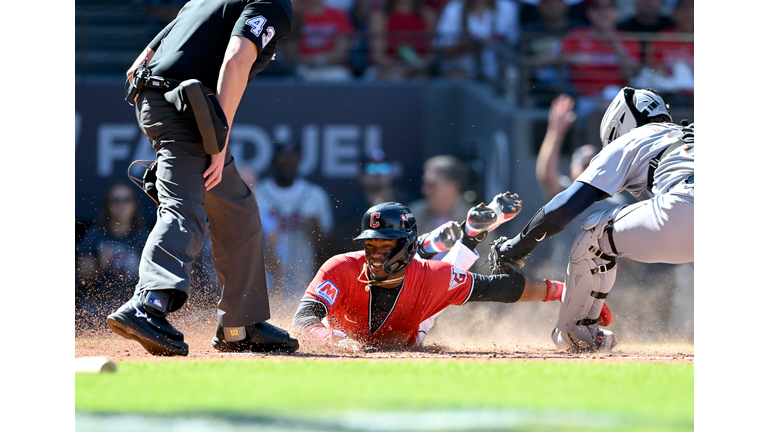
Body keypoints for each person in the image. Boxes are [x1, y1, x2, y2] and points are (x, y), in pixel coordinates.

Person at [107, 0, 299, 357]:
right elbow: (237, 58)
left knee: (236, 211)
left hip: (167, 96)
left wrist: (148, 50)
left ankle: (240, 325)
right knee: (186, 209)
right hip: (183, 106)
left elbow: (179, 26)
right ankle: (148, 305)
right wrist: (218, 139)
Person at [495, 87, 693, 352]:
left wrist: (518, 247)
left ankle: (575, 333)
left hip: (685, 207)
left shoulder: (633, 138)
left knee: (595, 232)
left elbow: (565, 206)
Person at [290, 197, 571, 352]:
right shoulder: (340, 268)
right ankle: (455, 241)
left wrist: (560, 290)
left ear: (405, 246)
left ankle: (463, 240)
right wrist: (333, 340)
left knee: (442, 287)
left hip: (415, 326)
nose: (375, 253)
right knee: (444, 282)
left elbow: (499, 288)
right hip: (356, 329)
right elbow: (303, 318)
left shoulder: (432, 276)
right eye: (371, 244)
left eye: (386, 246)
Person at [255, 140, 335, 311]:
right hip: (265, 283)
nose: (287, 163)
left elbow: (328, 247)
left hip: (304, 280)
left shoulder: (316, 195)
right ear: (273, 161)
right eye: (283, 159)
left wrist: (316, 230)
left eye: (292, 159)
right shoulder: (257, 192)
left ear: (299, 161)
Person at [76, 182, 151, 322]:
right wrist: (98, 264)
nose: (122, 205)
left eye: (127, 200)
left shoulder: (145, 237)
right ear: (107, 205)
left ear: (135, 205)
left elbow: (156, 281)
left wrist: (143, 268)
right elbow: (82, 278)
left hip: (134, 307)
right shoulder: (95, 235)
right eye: (116, 200)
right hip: (99, 307)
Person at [557, 0, 642, 103]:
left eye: (609, 7)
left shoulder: (628, 39)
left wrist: (616, 45)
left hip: (619, 98)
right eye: (597, 7)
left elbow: (631, 74)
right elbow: (547, 59)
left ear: (617, 12)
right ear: (588, 12)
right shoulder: (575, 36)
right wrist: (571, 57)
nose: (603, 12)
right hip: (585, 98)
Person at [432, 0, 521, 84]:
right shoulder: (454, 9)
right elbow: (439, 53)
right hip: (464, 78)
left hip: (499, 79)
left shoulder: (508, 8)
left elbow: (514, 48)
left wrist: (493, 43)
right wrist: (462, 46)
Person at [407, 155, 472, 262]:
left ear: (452, 187)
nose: (425, 190)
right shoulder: (414, 215)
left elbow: (486, 268)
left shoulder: (474, 221)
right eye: (425, 184)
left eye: (431, 185)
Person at [283, 0, 355, 81]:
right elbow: (292, 54)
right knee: (298, 76)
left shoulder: (338, 14)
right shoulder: (295, 15)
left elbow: (341, 52)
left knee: (341, 75)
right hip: (303, 68)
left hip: (332, 67)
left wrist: (320, 60)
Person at [365, 0, 437, 80]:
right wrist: (398, 66)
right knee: (395, 77)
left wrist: (419, 64)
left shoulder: (429, 15)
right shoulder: (380, 16)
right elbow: (378, 55)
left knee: (420, 78)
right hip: (387, 68)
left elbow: (431, 53)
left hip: (419, 69)